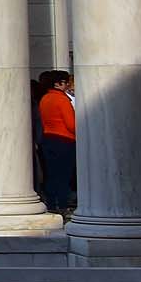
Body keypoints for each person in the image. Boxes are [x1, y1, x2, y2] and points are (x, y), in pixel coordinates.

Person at [38, 70, 78, 215]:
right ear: (57, 84)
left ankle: (51, 203)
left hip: (48, 139)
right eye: (65, 82)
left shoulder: (45, 98)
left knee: (52, 174)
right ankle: (62, 205)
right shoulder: (61, 100)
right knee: (64, 175)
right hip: (65, 140)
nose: (67, 84)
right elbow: (72, 125)